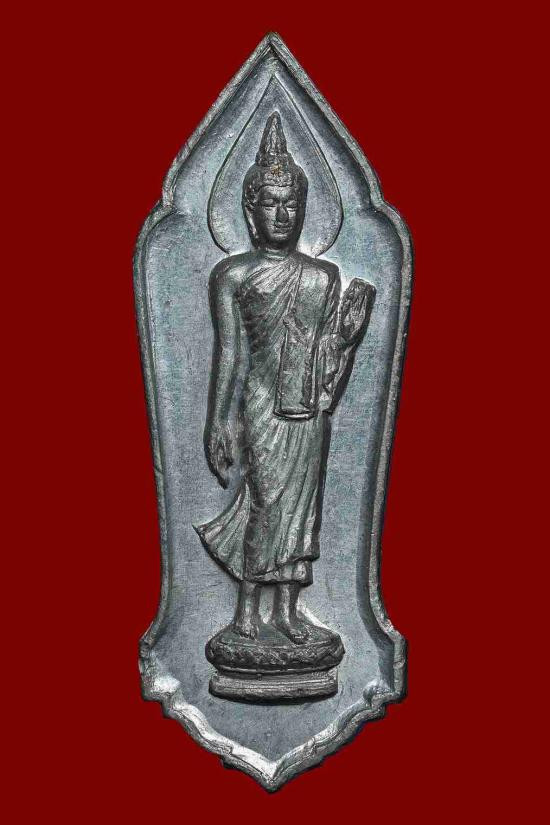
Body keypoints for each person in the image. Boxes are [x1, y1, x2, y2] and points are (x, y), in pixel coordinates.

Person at [195, 112, 374, 644]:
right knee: (268, 500)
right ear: (251, 212)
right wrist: (217, 421)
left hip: (306, 407)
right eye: (270, 203)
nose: (281, 214)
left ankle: (290, 611)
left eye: (291, 203)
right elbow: (230, 353)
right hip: (261, 400)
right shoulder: (233, 275)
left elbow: (325, 358)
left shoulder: (323, 276)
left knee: (303, 508)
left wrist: (347, 336)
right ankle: (247, 608)